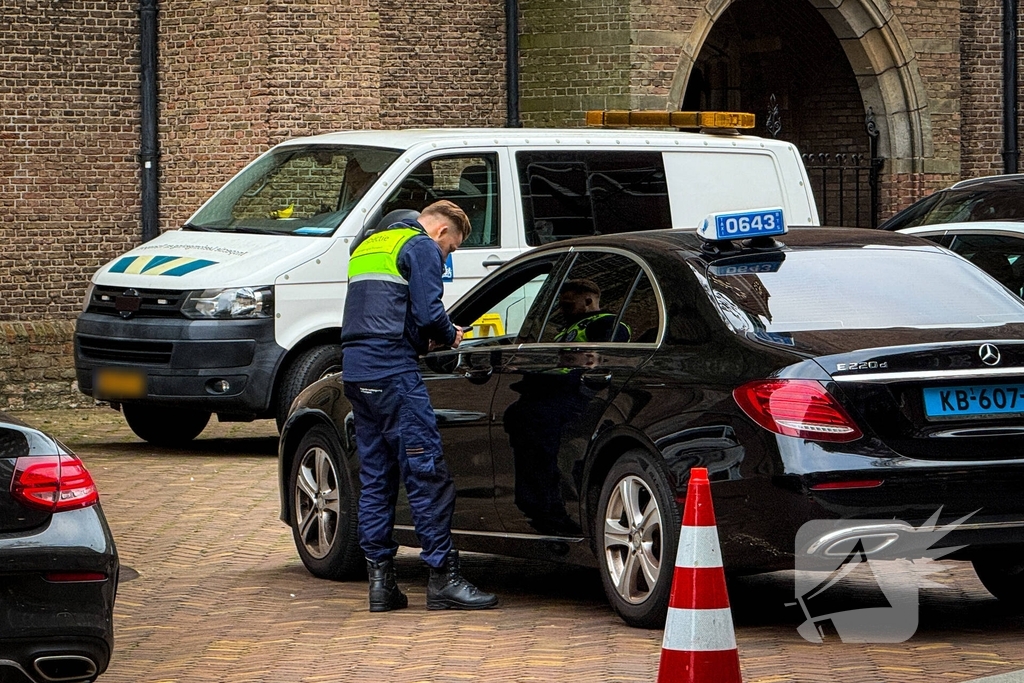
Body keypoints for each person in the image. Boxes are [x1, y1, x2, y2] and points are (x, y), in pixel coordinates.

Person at [341, 200, 498, 613]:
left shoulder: (371, 245)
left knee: (376, 478)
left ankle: (381, 585)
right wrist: (451, 336)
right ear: (443, 232)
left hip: (356, 372)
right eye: (452, 250)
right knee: (426, 473)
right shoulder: (422, 245)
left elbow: (381, 308)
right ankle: (443, 579)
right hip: (394, 373)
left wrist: (416, 334)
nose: (446, 257)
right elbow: (430, 313)